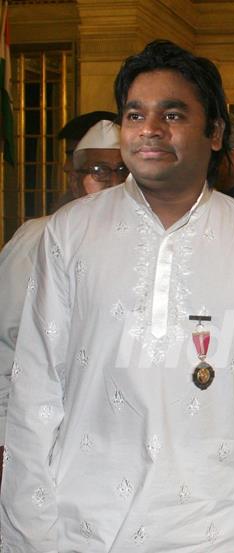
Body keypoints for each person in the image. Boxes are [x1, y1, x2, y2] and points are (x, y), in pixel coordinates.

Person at [0, 40, 234, 553]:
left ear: (216, 133)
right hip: (82, 525)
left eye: (173, 114)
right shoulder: (71, 232)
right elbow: (35, 391)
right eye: (136, 114)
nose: (149, 129)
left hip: (209, 528)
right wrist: (29, 531)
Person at [0, 118, 122, 478]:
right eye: (99, 171)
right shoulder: (37, 238)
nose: (113, 181)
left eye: (123, 171)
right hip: (42, 434)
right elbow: (6, 339)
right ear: (74, 177)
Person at [70, 119, 128, 197]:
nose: (115, 183)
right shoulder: (68, 210)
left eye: (122, 170)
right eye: (100, 170)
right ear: (75, 182)